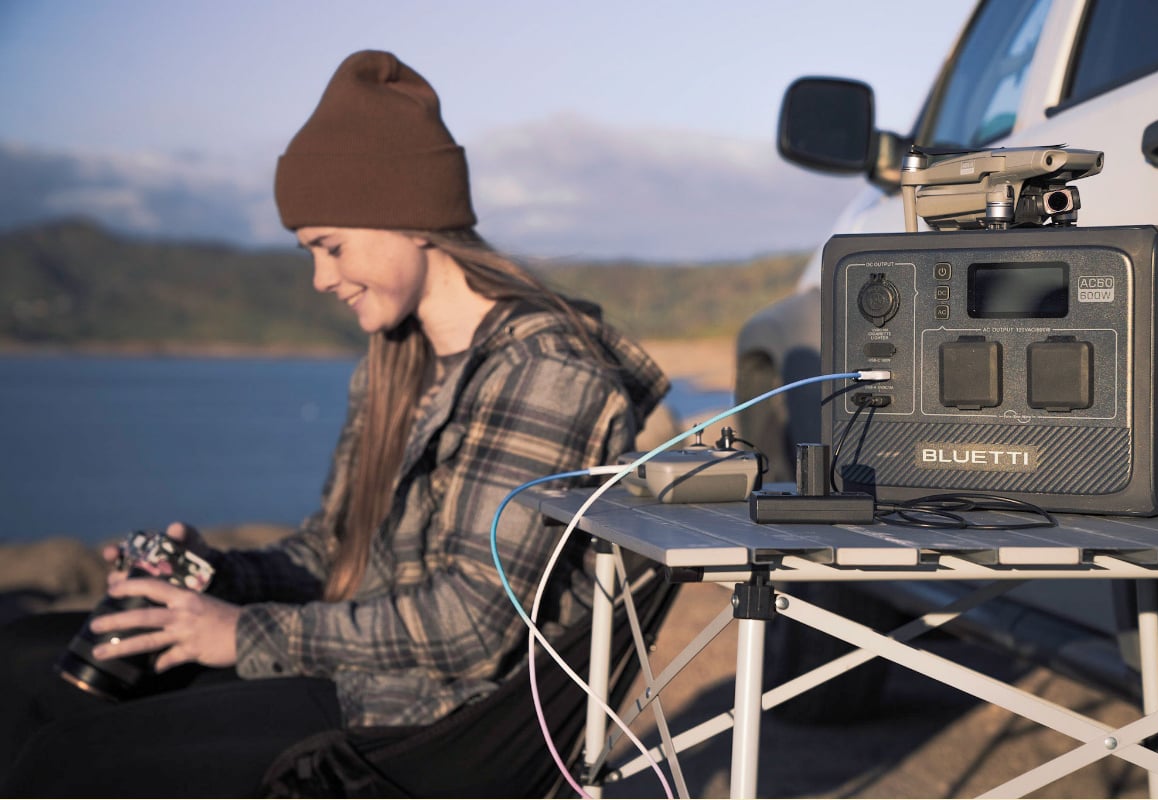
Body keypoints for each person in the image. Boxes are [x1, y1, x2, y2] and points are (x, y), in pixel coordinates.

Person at [0, 50, 668, 797]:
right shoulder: (397, 358)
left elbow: (471, 628)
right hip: (363, 677)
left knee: (66, 760)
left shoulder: (546, 372)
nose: (321, 278)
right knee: (21, 657)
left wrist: (236, 634)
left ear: (412, 219)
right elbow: (330, 551)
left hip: (433, 721)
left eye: (332, 245)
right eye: (309, 251)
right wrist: (213, 577)